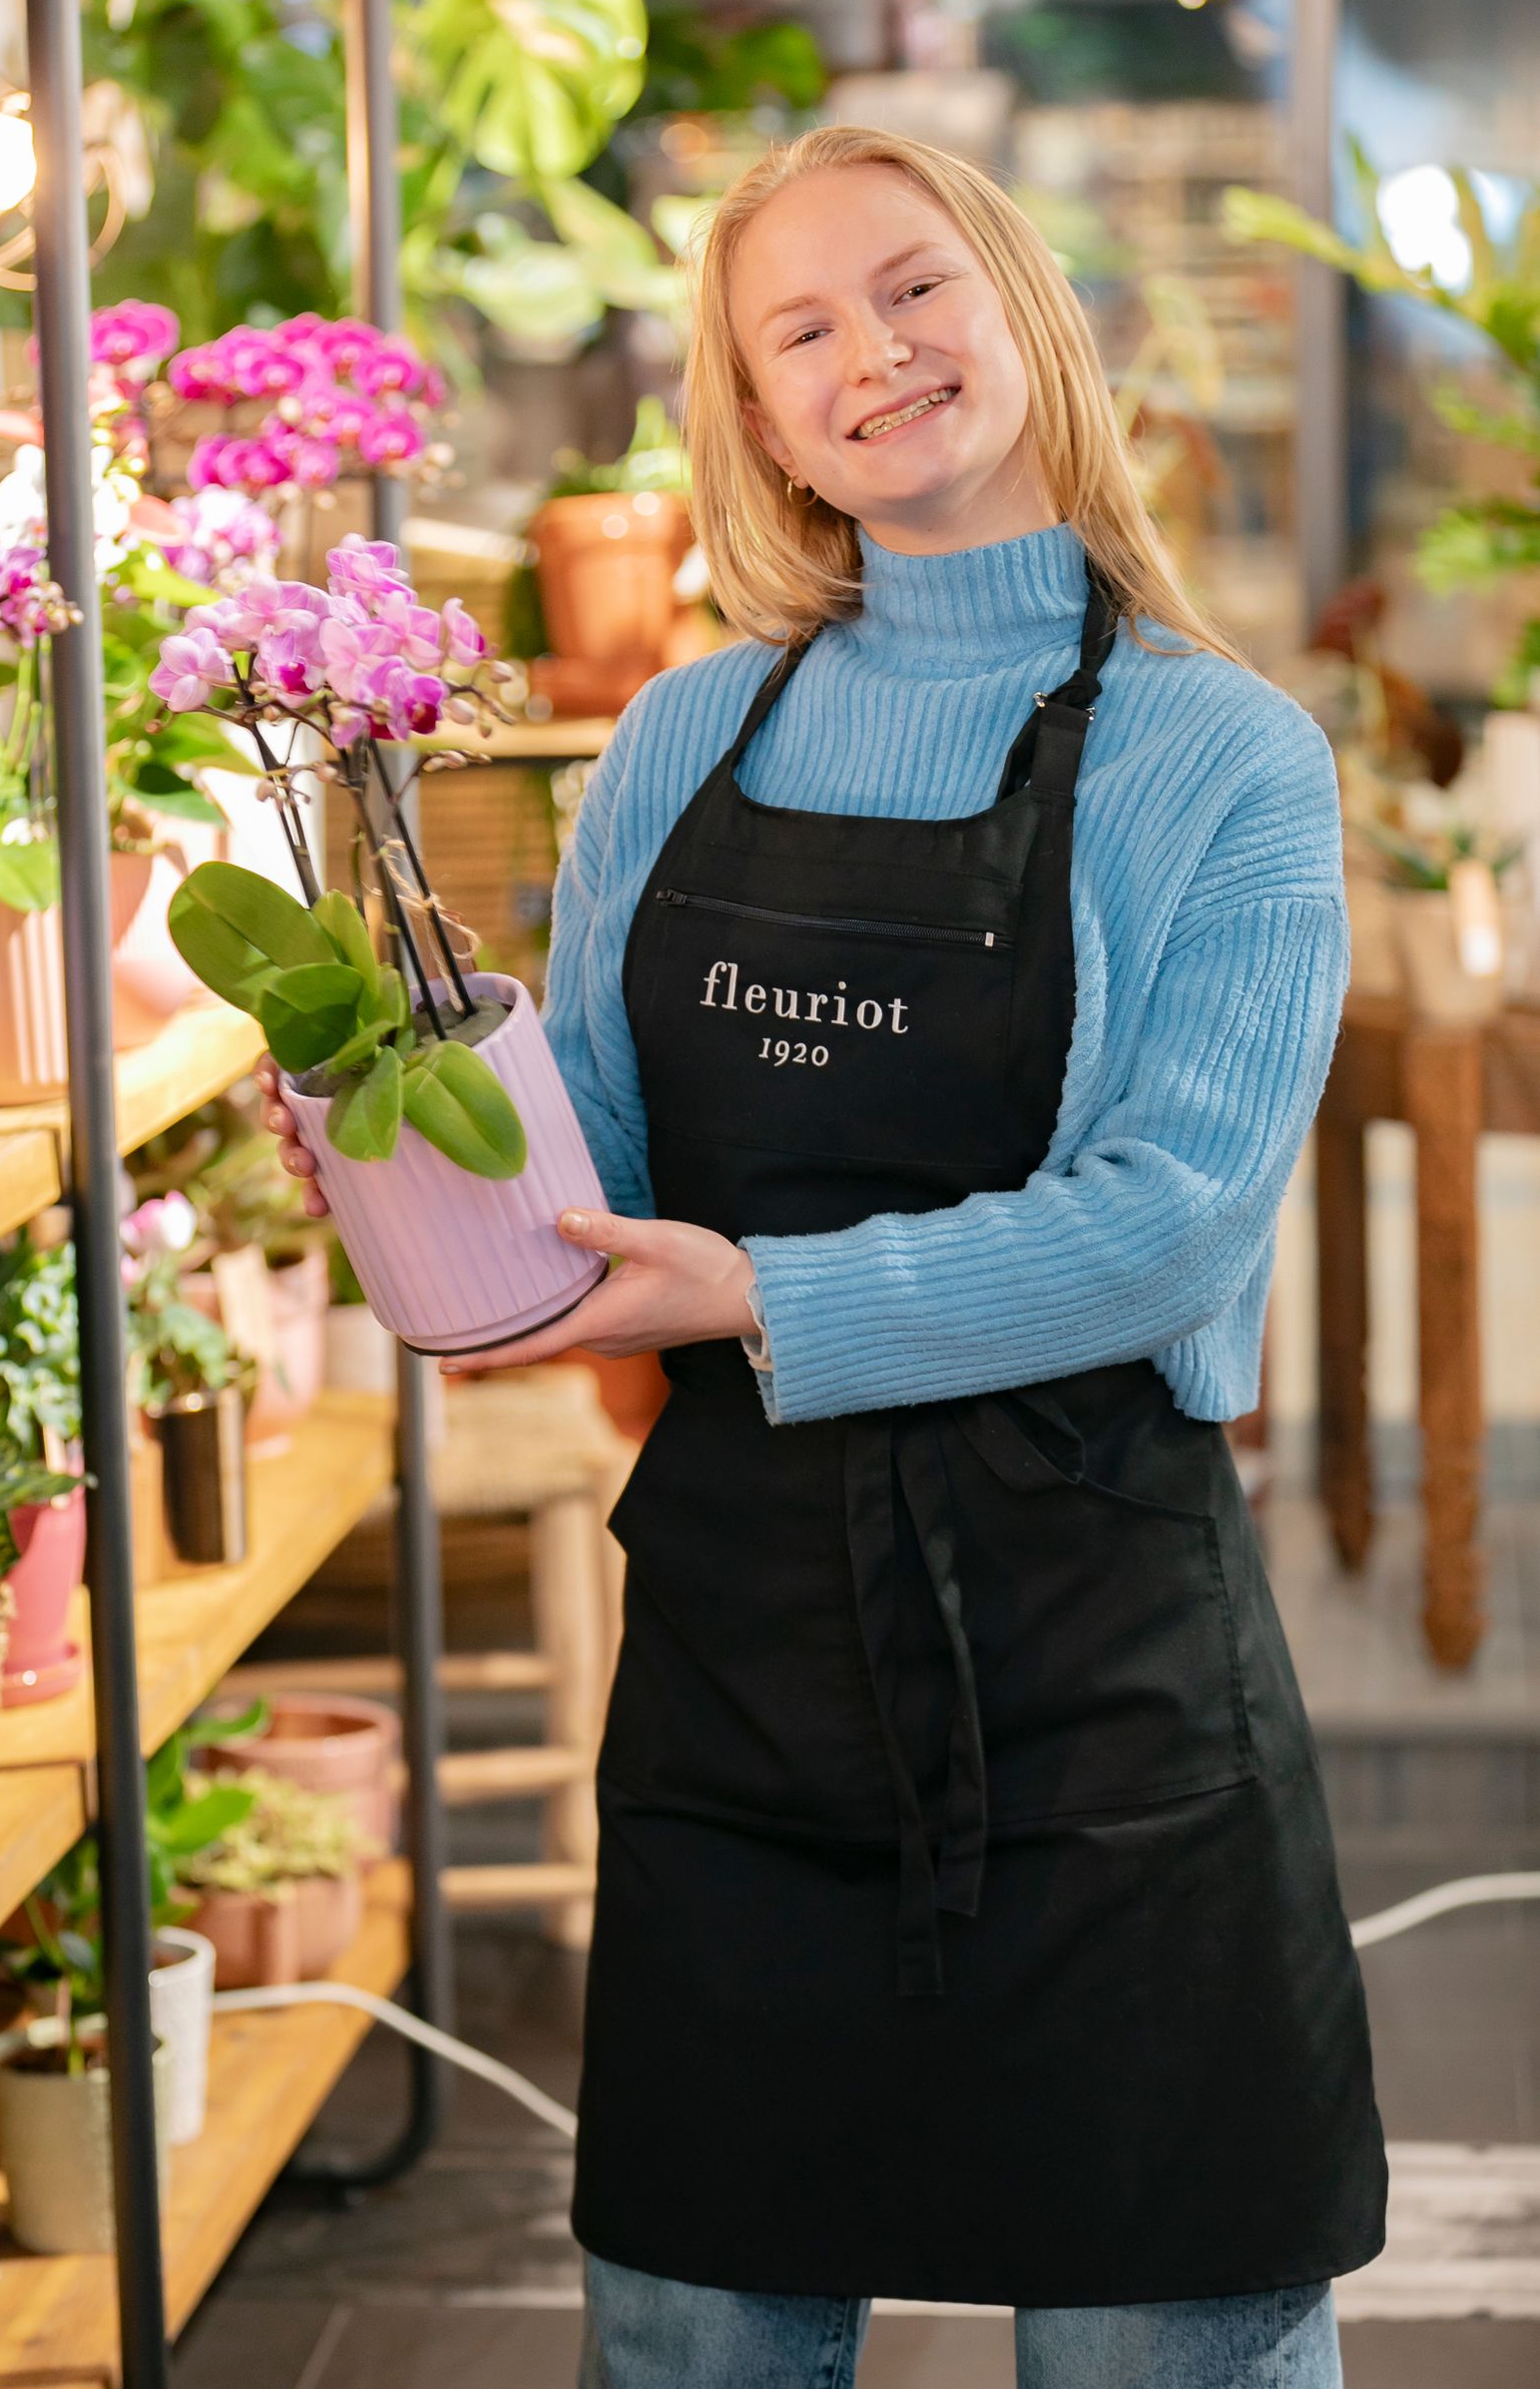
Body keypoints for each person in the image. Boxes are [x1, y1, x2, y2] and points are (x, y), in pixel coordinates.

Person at [258, 125, 1385, 2389]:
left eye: (914, 290)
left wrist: (763, 1298)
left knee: (1162, 2353)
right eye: (803, 330)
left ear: (1019, 308)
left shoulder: (1218, 758)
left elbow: (1170, 1235)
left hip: (1099, 1693)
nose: (876, 356)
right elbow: (575, 1138)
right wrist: (409, 1176)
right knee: (689, 2339)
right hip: (740, 1686)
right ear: (757, 422)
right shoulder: (682, 735)